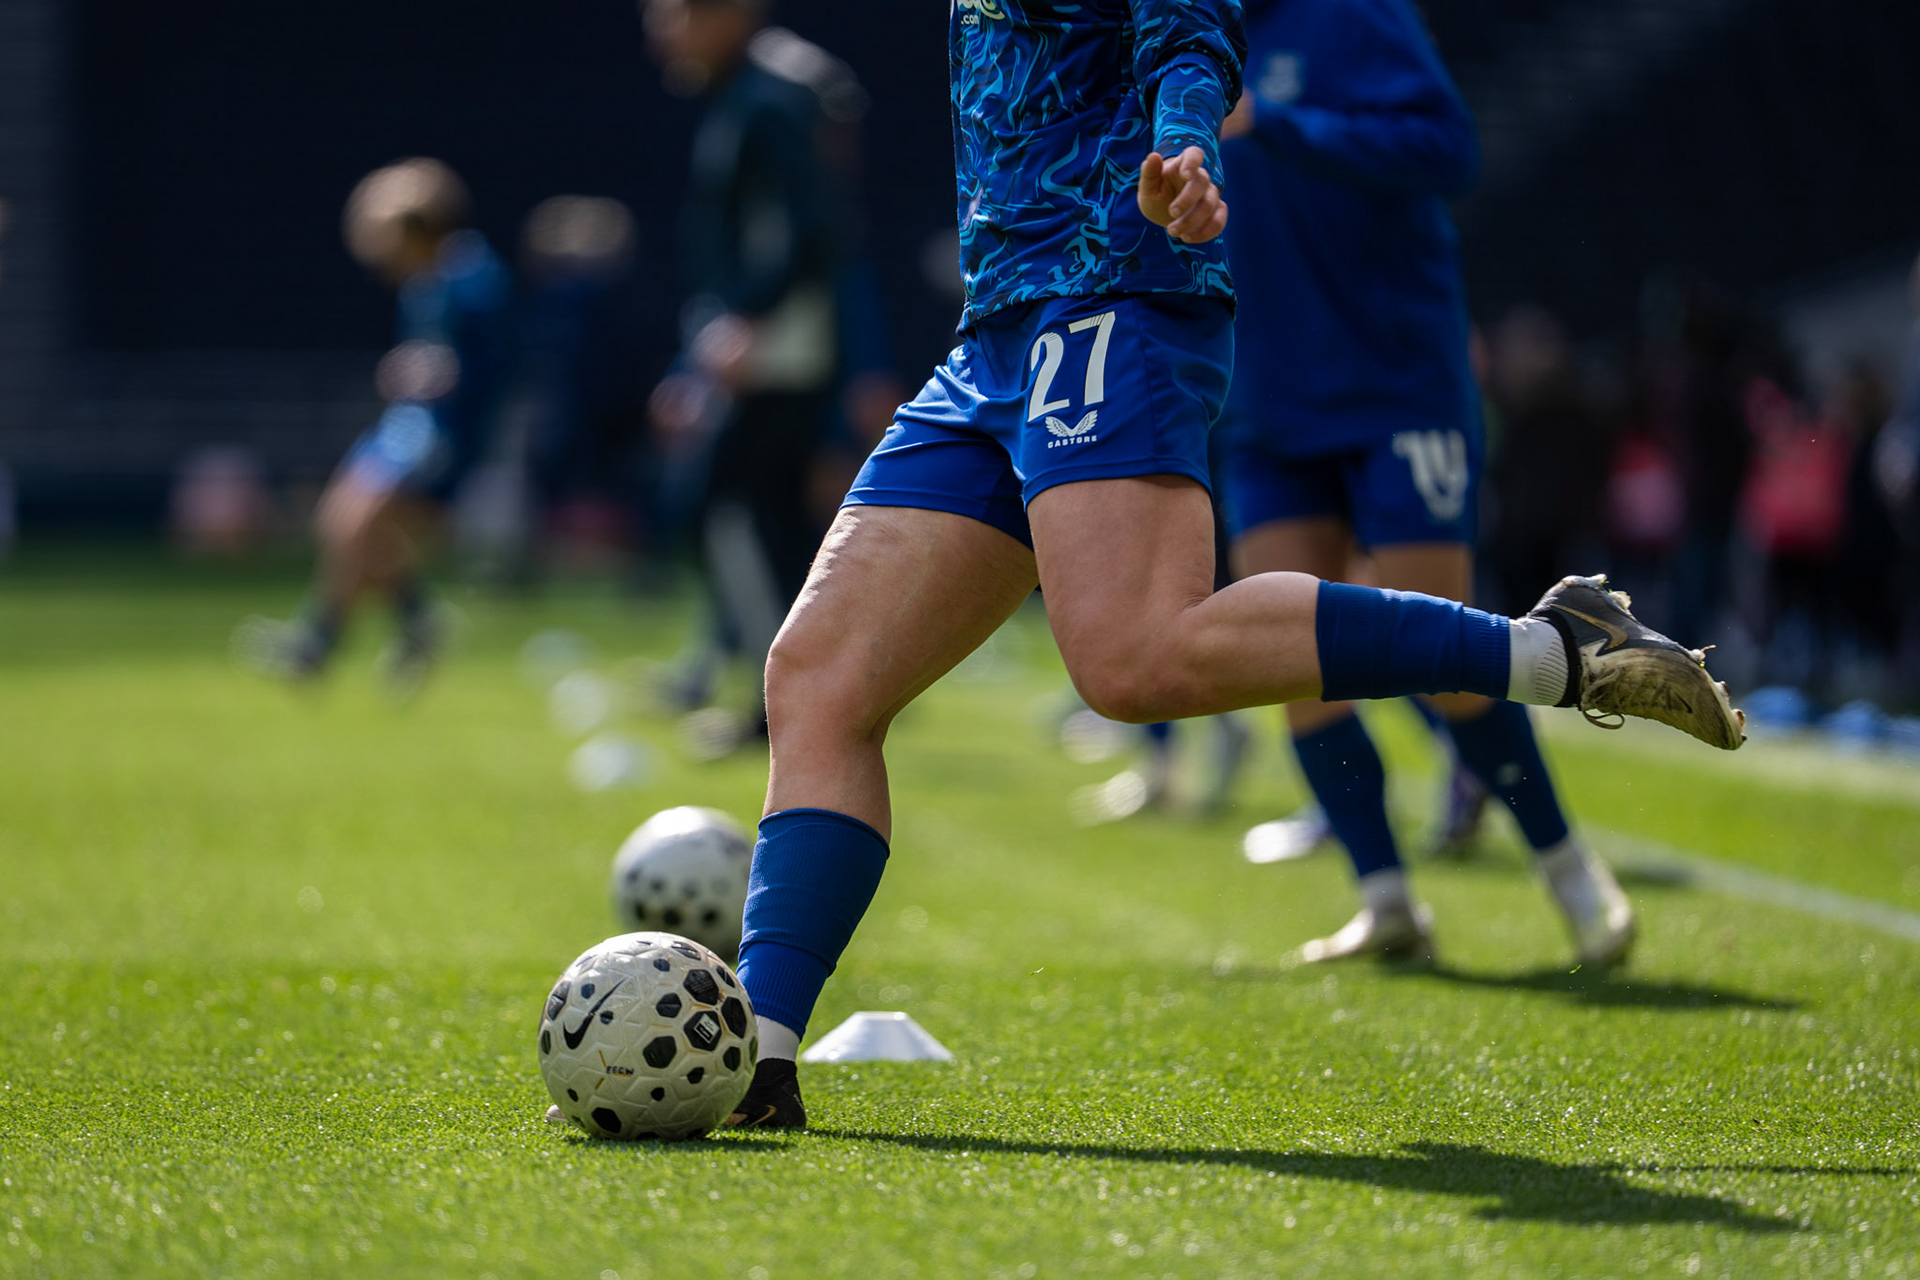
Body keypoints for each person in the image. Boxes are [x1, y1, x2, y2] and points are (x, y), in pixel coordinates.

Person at [724, 0, 1743, 1130]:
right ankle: (753, 1060)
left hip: (1113, 295)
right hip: (999, 328)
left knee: (1133, 659)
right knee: (815, 677)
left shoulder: (1350, 18)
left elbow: (1188, 32)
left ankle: (1555, 657)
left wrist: (1189, 142)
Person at [1213, 0, 1633, 965]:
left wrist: (1278, 122)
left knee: (1441, 654)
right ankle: (1385, 898)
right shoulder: (1190, 30)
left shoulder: (1354, 13)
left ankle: (1570, 872)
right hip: (1267, 396)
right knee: (1290, 660)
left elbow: (1448, 150)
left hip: (1395, 383)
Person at [642, 0, 842, 755]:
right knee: (773, 523)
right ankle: (806, 699)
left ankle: (777, 704)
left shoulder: (771, 95)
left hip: (773, 349)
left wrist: (745, 321)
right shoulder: (749, 93)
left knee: (723, 509)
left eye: (673, 17)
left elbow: (807, 224)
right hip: (760, 341)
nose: (662, 36)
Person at [236, 159, 511, 689]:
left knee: (356, 523)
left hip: (440, 435)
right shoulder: (424, 283)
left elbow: (492, 364)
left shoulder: (472, 277)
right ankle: (412, 621)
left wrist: (442, 374)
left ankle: (323, 642)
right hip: (409, 424)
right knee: (341, 522)